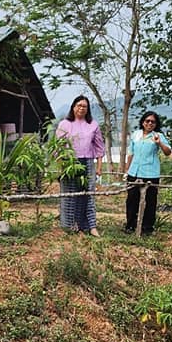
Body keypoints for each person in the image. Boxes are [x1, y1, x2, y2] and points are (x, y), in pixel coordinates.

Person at [55, 95, 106, 236]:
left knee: (88, 194)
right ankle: (70, 226)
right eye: (79, 105)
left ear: (88, 109)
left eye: (84, 106)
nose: (81, 108)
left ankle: (91, 226)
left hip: (87, 163)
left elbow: (99, 147)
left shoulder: (93, 124)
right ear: (73, 107)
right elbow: (58, 148)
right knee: (70, 195)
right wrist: (61, 167)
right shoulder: (64, 124)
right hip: (69, 163)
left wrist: (100, 168)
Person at [123, 111, 172, 235]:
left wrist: (159, 143)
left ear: (156, 124)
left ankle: (147, 227)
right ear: (143, 122)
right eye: (147, 121)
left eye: (153, 121)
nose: (149, 123)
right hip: (134, 171)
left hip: (151, 173)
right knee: (132, 200)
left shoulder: (158, 135)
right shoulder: (136, 134)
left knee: (150, 201)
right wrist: (127, 170)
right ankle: (130, 225)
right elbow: (131, 153)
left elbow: (168, 152)